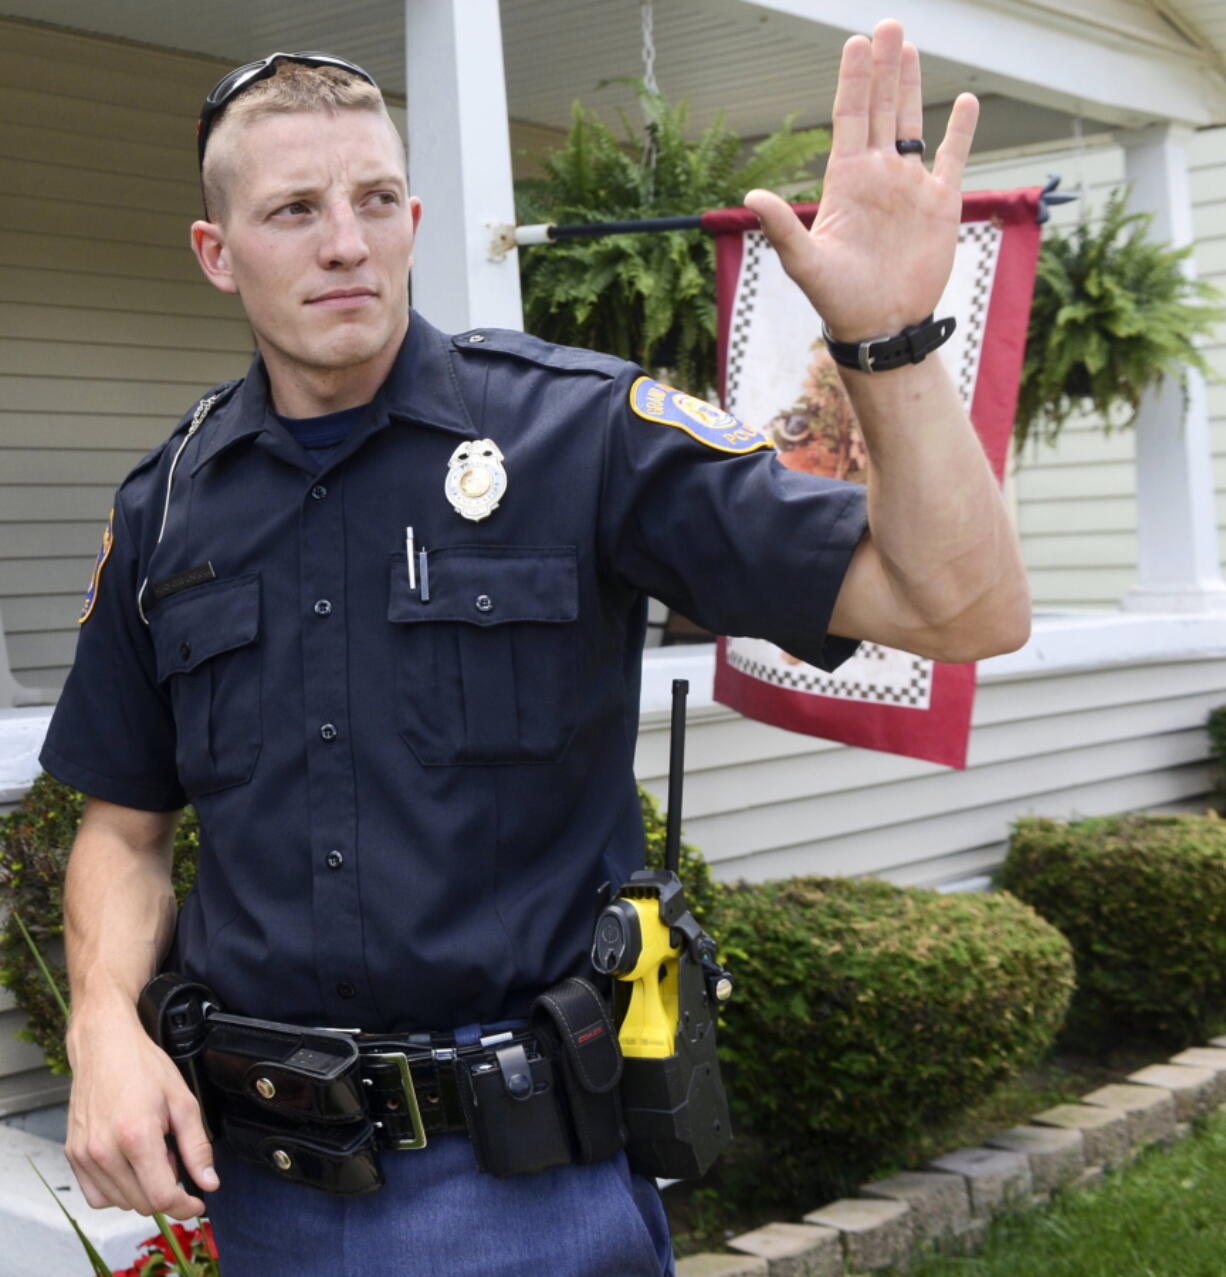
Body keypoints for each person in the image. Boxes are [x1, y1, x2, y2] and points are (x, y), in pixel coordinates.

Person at [40, 19, 1029, 1277]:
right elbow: (123, 826)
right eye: (293, 209)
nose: (345, 240)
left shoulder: (581, 435)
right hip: (270, 1188)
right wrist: (101, 1030)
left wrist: (887, 342)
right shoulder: (169, 503)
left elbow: (963, 610)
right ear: (216, 251)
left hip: (529, 1194)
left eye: (375, 199)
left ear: (410, 218)